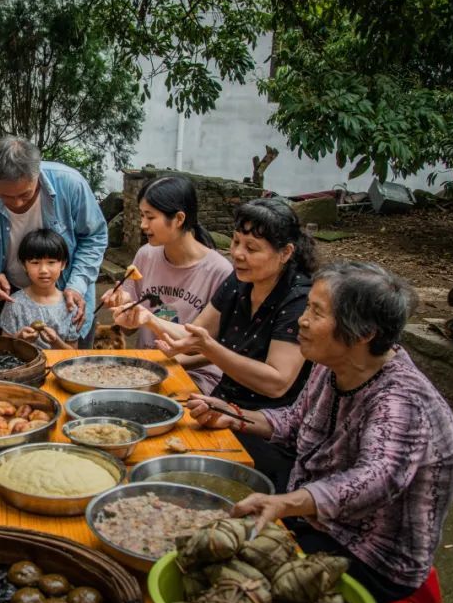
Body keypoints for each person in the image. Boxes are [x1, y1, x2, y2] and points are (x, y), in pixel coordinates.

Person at [186, 261, 453, 603]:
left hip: (371, 554)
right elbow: (295, 422)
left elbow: (376, 479)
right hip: (317, 521)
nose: (301, 320)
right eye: (307, 308)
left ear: (363, 333)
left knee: (232, 587)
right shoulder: (332, 366)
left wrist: (285, 504)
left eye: (317, 313)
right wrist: (234, 416)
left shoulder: (401, 399)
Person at [113, 198, 317, 491]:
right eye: (235, 243)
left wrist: (208, 349)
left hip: (265, 426)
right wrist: (147, 319)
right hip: (217, 406)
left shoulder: (297, 300)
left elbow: (277, 382)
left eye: (251, 248)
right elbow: (195, 334)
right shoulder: (239, 281)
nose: (237, 254)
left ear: (285, 253)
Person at [0, 136, 108, 343]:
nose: (16, 203)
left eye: (25, 194)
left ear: (37, 175)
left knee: (74, 364)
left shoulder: (71, 185)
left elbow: (94, 237)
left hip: (68, 295)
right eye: (6, 196)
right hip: (14, 297)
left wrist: (77, 285)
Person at [100, 176, 232, 392]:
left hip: (194, 377)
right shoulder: (145, 256)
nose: (143, 225)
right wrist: (121, 307)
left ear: (179, 219)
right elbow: (128, 329)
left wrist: (160, 362)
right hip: (144, 369)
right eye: (142, 215)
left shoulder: (220, 271)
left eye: (150, 217)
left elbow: (207, 350)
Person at [0, 229, 82, 350]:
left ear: (63, 264)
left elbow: (72, 353)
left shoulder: (70, 305)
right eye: (35, 262)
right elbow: (4, 349)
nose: (43, 270)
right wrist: (20, 339)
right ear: (24, 265)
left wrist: (56, 342)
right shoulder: (14, 303)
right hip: (25, 367)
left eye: (51, 262)